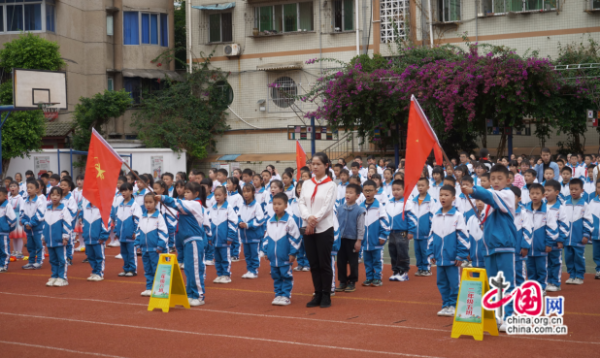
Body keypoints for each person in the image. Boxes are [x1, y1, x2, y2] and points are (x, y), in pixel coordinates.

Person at [462, 164, 518, 331]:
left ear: (508, 180)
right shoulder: (488, 201)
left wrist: (472, 190)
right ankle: (496, 316)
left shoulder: (507, 194)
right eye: (492, 179)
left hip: (504, 246)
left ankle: (510, 316)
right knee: (493, 284)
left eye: (499, 179)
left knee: (506, 283)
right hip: (489, 248)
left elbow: (489, 195)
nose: (495, 181)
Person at [159, 182, 212, 307]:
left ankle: (199, 295)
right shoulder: (189, 205)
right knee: (189, 269)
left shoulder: (195, 204)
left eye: (188, 192)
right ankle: (190, 294)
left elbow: (177, 203)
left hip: (193, 240)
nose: (185, 194)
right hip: (186, 241)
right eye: (185, 192)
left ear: (196, 194)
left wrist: (163, 198)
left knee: (195, 268)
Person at [298, 152, 337, 309]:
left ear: (326, 166)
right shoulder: (307, 184)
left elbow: (327, 207)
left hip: (324, 228)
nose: (314, 167)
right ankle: (317, 293)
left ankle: (326, 294)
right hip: (309, 228)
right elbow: (301, 203)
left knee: (324, 263)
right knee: (313, 263)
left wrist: (314, 221)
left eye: (318, 164)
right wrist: (308, 218)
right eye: (312, 164)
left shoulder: (331, 185)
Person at [427, 185, 469, 317]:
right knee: (441, 282)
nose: (443, 198)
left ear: (453, 198)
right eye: (441, 195)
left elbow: (463, 237)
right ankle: (446, 304)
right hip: (439, 258)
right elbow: (431, 235)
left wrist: (460, 255)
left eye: (446, 195)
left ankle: (454, 305)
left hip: (452, 258)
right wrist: (431, 253)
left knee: (454, 283)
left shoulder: (458, 216)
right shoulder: (436, 215)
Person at [262, 192, 301, 306]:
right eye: (274, 204)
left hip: (285, 256)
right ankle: (278, 294)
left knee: (286, 275)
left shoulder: (289, 220)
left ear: (286, 205)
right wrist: (265, 250)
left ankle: (286, 295)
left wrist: (293, 253)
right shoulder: (269, 221)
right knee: (276, 276)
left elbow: (296, 237)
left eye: (279, 204)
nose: (276, 206)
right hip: (273, 257)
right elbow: (266, 237)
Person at [335, 183, 366, 292]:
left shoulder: (360, 211)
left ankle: (352, 281)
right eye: (346, 192)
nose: (347, 194)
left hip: (352, 240)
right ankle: (342, 281)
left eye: (351, 193)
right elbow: (335, 224)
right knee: (340, 262)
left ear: (357, 196)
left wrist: (359, 241)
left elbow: (361, 227)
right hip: (341, 239)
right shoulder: (339, 209)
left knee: (353, 262)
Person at [360, 180, 390, 287]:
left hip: (376, 239)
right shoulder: (360, 207)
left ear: (375, 191)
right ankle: (369, 278)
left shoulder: (379, 206)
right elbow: (358, 224)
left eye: (370, 190)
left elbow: (385, 222)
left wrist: (383, 235)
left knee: (377, 260)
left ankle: (377, 278)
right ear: (362, 191)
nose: (368, 193)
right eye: (365, 190)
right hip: (365, 240)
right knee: (367, 260)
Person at [563, 178, 592, 285]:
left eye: (576, 189)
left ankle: (579, 276)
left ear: (582, 190)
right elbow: (562, 220)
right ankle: (571, 275)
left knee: (579, 257)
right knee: (568, 257)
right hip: (567, 238)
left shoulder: (584, 205)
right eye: (571, 189)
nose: (573, 191)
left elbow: (588, 220)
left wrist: (586, 234)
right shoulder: (565, 204)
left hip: (579, 237)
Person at [43, 187, 72, 286]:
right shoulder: (47, 208)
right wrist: (44, 237)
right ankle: (54, 276)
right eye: (53, 195)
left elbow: (67, 224)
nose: (55, 197)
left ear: (61, 197)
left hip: (59, 240)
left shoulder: (63, 209)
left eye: (57, 195)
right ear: (50, 196)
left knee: (62, 259)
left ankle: (62, 278)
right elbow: (45, 224)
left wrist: (65, 237)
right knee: (52, 259)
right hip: (50, 240)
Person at [408, 177, 436, 276]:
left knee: (425, 251)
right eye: (418, 185)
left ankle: (427, 268)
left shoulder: (431, 201)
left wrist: (431, 230)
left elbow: (433, 217)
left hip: (426, 233)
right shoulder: (413, 201)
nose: (420, 187)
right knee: (417, 252)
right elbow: (411, 216)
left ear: (428, 187)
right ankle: (420, 268)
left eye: (422, 185)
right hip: (416, 233)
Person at [208, 186, 237, 283]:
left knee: (225, 258)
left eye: (219, 195)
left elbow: (233, 222)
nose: (217, 197)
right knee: (217, 258)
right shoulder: (213, 208)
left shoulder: (228, 207)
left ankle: (226, 275)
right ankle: (220, 274)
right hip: (215, 239)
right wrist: (209, 236)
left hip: (225, 239)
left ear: (225, 195)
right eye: (216, 195)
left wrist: (230, 236)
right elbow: (209, 222)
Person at [114, 183, 142, 277]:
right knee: (124, 253)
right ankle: (126, 269)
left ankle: (132, 270)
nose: (123, 192)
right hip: (122, 234)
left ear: (131, 191)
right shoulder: (120, 205)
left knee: (131, 253)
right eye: (122, 191)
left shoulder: (134, 205)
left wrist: (135, 232)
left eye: (125, 190)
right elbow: (118, 219)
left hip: (130, 235)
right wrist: (116, 230)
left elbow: (137, 220)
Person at [386, 180, 411, 282]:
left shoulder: (407, 203)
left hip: (402, 232)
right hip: (392, 232)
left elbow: (411, 217)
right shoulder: (389, 202)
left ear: (404, 190)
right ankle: (395, 271)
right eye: (393, 190)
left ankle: (403, 272)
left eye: (398, 189)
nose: (395, 192)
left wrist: (411, 230)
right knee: (393, 251)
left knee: (402, 251)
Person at [238, 185, 264, 279]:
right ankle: (249, 270)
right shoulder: (242, 205)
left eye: (248, 191)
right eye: (244, 191)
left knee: (254, 253)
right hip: (244, 236)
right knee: (247, 254)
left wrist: (248, 225)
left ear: (253, 192)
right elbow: (238, 216)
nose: (245, 193)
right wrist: (239, 222)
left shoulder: (257, 205)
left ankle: (254, 270)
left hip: (254, 235)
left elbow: (260, 219)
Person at [21, 180, 46, 269]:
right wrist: (25, 223)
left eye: (31, 188)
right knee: (30, 246)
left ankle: (39, 261)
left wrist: (31, 223)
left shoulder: (39, 201)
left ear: (37, 189)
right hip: (28, 229)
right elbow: (22, 214)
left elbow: (40, 214)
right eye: (28, 188)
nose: (29, 190)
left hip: (37, 228)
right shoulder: (25, 201)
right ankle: (31, 261)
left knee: (39, 245)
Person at [81, 200, 109, 281]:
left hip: (98, 238)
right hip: (88, 237)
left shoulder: (102, 208)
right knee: (90, 256)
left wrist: (103, 236)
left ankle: (99, 273)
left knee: (99, 256)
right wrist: (85, 233)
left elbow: (106, 222)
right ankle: (95, 271)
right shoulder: (86, 207)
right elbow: (83, 222)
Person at [289, 182, 310, 272]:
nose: (299, 189)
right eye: (298, 187)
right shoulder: (293, 201)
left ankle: (307, 264)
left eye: (302, 188)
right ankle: (300, 263)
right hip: (296, 228)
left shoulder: (308, 201)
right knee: (299, 247)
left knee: (307, 247)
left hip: (304, 227)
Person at [226, 177, 243, 262]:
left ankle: (235, 254)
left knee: (236, 238)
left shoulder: (238, 197)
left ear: (235, 185)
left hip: (234, 221)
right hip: (227, 220)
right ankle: (230, 254)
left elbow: (239, 209)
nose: (227, 185)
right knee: (229, 237)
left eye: (229, 183)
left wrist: (237, 219)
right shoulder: (226, 195)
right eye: (227, 183)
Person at [0, 187, 16, 272]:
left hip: (3, 233)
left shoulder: (7, 206)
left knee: (4, 249)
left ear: (5, 196)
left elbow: (13, 220)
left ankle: (4, 265)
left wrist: (7, 229)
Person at [586, 180, 600, 279]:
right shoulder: (592, 202)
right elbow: (589, 218)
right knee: (596, 254)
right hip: (595, 234)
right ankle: (598, 270)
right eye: (599, 187)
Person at [466, 200, 486, 269]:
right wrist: (467, 251)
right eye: (477, 200)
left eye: (482, 200)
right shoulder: (471, 219)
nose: (480, 202)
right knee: (476, 279)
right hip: (474, 260)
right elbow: (467, 236)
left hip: (487, 260)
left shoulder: (490, 218)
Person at [8, 182, 25, 259]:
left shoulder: (20, 198)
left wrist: (21, 218)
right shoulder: (9, 198)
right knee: (14, 236)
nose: (12, 188)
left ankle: (19, 251)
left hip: (18, 218)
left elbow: (22, 208)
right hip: (11, 218)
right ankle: (15, 250)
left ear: (18, 188)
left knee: (19, 236)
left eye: (14, 186)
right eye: (11, 186)